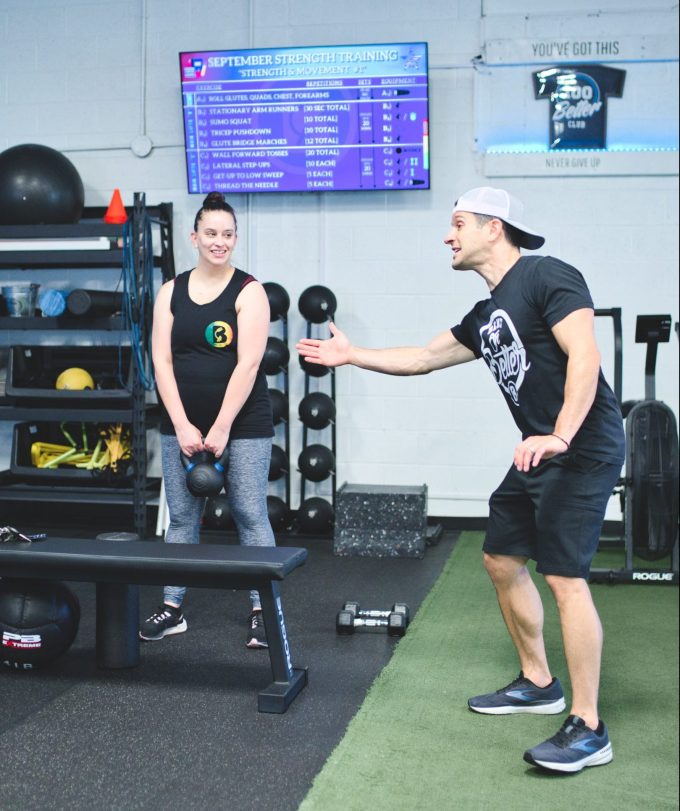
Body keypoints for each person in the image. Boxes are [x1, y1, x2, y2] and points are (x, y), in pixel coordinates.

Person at [296, 186, 625, 774]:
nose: (448, 235)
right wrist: (352, 355)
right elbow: (423, 357)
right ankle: (538, 681)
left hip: (580, 447)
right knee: (501, 558)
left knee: (565, 578)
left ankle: (589, 727)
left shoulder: (550, 275)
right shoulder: (486, 312)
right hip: (540, 450)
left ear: (494, 228)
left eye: (458, 223)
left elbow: (585, 357)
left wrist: (561, 435)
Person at [140, 191, 275, 649]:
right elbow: (161, 360)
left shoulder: (249, 291)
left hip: (243, 422)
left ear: (236, 238)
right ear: (194, 237)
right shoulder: (170, 291)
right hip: (182, 421)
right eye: (211, 234)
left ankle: (264, 611)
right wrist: (180, 424)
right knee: (181, 518)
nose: (220, 242)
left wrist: (220, 428)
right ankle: (172, 607)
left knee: (249, 512)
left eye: (228, 234)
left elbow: (248, 365)